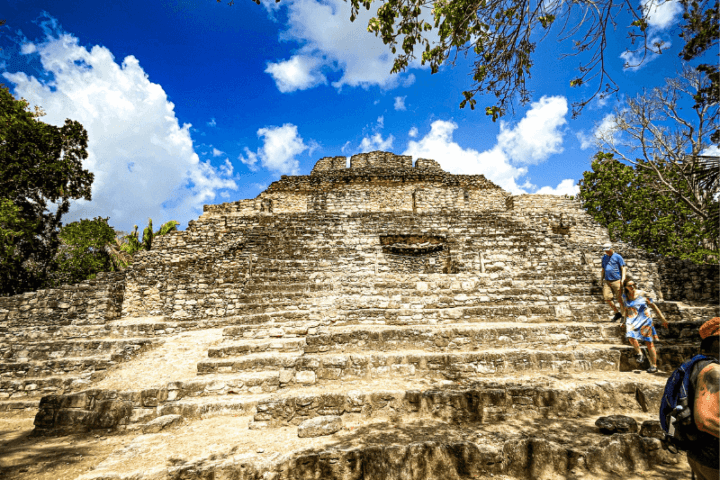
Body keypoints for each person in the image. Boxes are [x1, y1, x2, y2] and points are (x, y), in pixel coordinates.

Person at [686, 317, 719, 480]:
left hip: (699, 454)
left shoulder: (697, 364)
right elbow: (705, 420)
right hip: (713, 459)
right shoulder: (713, 371)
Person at [622, 279, 667, 373]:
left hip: (645, 319)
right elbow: (625, 310)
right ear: (626, 287)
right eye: (630, 285)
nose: (632, 287)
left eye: (634, 284)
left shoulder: (643, 294)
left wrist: (662, 318)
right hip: (632, 319)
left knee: (649, 343)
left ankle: (654, 365)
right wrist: (624, 320)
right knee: (630, 335)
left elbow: (653, 306)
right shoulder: (625, 296)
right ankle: (639, 353)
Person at [601, 243, 626, 322]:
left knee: (620, 299)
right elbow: (603, 269)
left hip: (616, 280)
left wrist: (623, 279)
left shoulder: (618, 256)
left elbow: (623, 268)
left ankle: (623, 316)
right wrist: (601, 279)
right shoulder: (604, 257)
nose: (607, 252)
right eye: (605, 251)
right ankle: (617, 313)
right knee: (606, 298)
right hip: (607, 280)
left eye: (608, 250)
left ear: (611, 248)